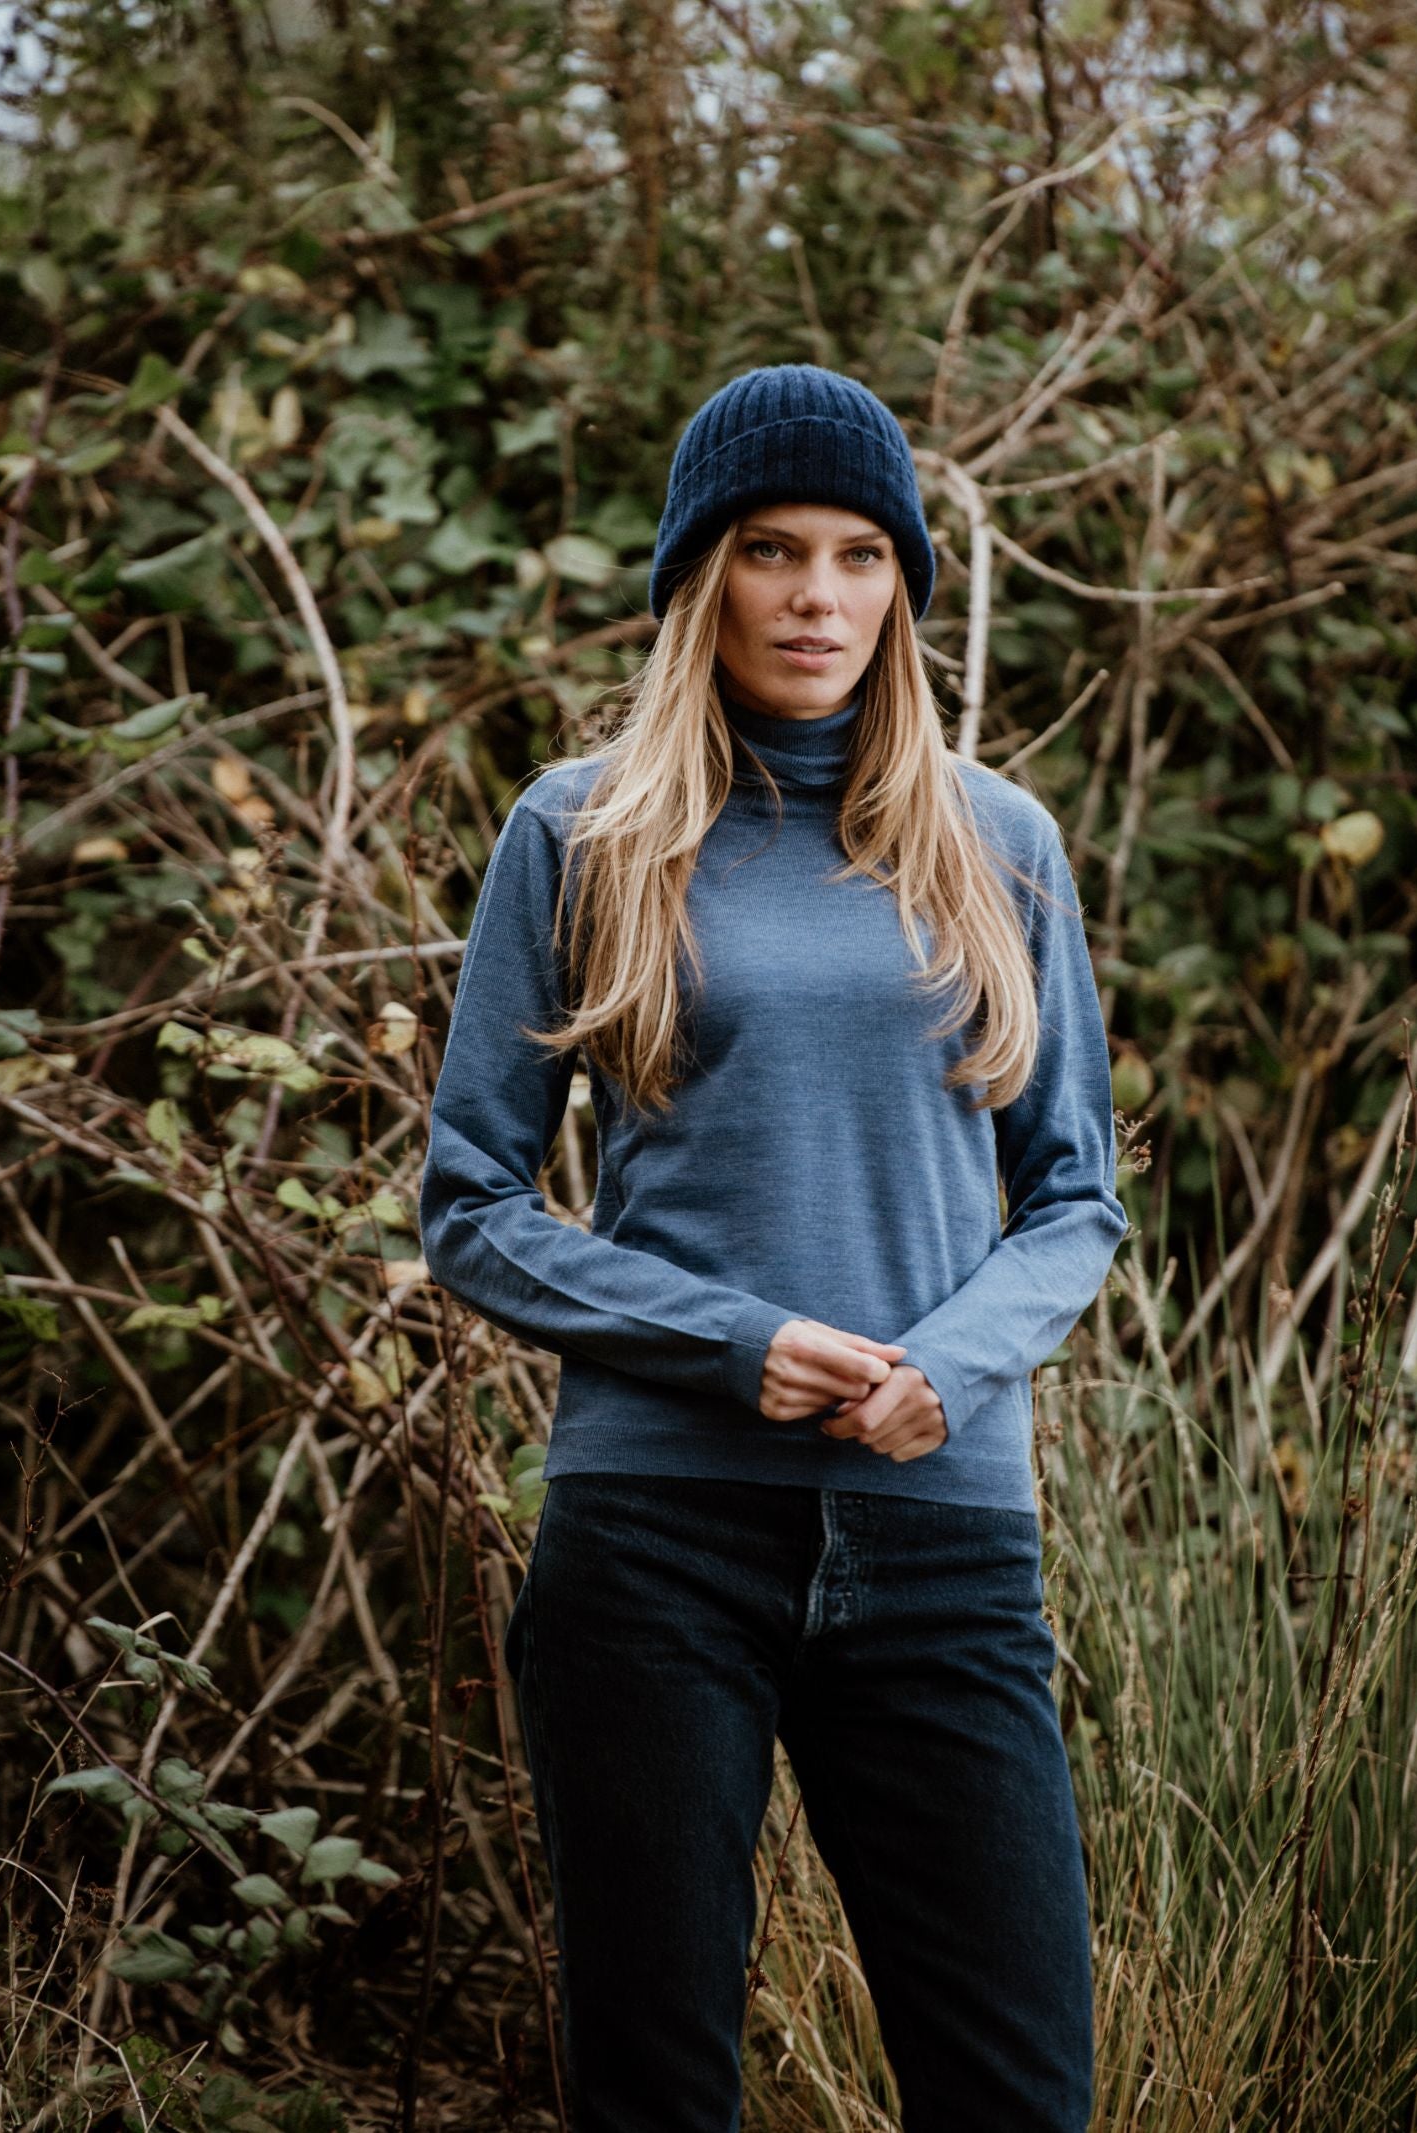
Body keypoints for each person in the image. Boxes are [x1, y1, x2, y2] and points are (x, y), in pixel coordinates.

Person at [418, 362, 1129, 2133]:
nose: (818, 597)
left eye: (859, 556)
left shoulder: (1001, 842)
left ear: (901, 587)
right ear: (700, 577)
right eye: (771, 550)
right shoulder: (581, 830)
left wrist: (950, 1367)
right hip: (657, 1537)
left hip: (943, 1537)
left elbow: (1076, 1199)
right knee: (657, 2088)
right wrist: (733, 1343)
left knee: (1019, 2088)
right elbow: (474, 1204)